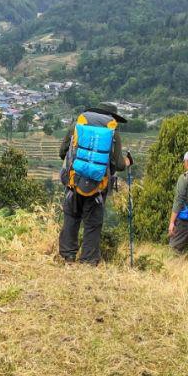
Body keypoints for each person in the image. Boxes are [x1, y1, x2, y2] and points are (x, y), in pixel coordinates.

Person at [57, 103, 132, 265]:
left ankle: (68, 256)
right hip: (98, 186)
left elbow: (62, 152)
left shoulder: (78, 124)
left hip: (73, 182)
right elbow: (118, 164)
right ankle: (88, 260)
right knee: (92, 223)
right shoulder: (112, 131)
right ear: (112, 116)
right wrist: (127, 162)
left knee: (71, 217)